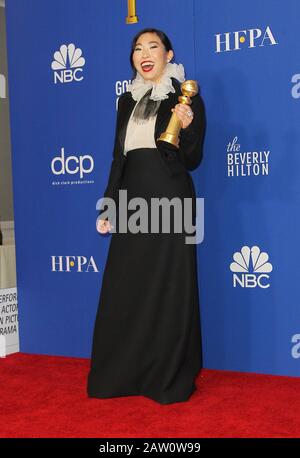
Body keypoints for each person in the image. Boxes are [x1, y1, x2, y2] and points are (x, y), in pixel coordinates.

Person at [87, 28, 206, 405]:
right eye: (137, 48)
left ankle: (167, 376)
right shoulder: (127, 99)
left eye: (153, 46)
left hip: (171, 200)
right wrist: (109, 205)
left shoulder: (186, 99)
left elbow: (192, 159)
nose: (144, 53)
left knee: (170, 287)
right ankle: (123, 374)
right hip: (132, 201)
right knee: (127, 287)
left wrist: (186, 128)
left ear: (169, 54)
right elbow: (118, 157)